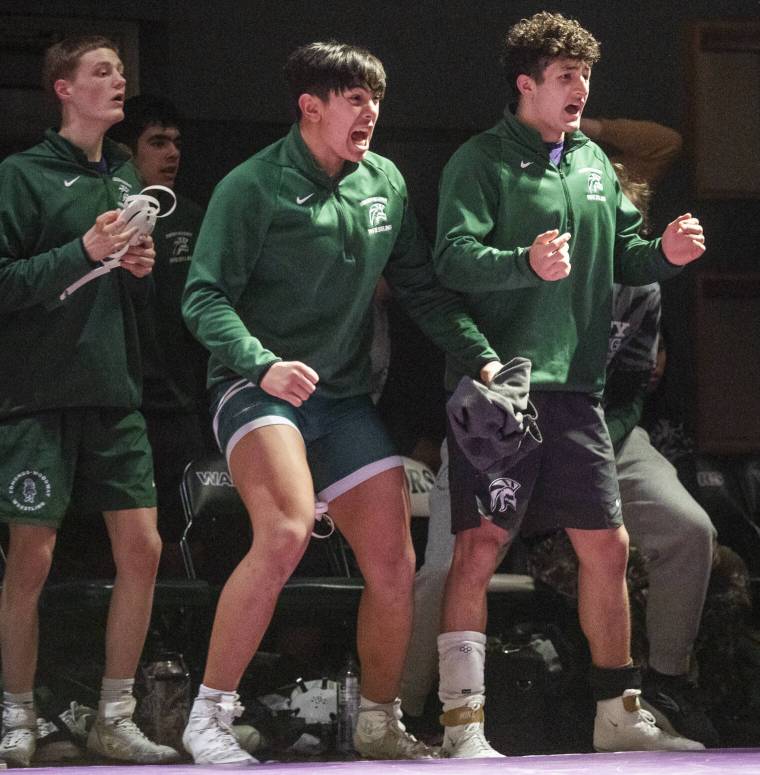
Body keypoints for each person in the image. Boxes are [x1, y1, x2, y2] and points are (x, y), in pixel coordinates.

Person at [179, 41, 500, 765]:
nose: (370, 114)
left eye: (376, 100)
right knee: (287, 529)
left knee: (396, 559)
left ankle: (379, 720)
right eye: (354, 100)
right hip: (253, 389)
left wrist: (482, 354)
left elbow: (419, 286)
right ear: (311, 107)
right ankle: (207, 718)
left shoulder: (381, 180)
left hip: (343, 398)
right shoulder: (252, 186)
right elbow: (201, 297)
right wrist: (261, 363)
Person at [430, 12, 706, 758]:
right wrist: (525, 261)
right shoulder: (480, 161)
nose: (579, 89)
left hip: (579, 392)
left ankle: (617, 712)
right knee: (480, 546)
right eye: (563, 77)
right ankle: (464, 724)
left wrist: (667, 253)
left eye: (585, 75)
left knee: (609, 547)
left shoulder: (590, 162)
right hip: (501, 390)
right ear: (526, 85)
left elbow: (627, 256)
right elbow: (452, 259)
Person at [0, 35, 178, 766]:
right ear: (63, 89)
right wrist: (84, 252)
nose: (118, 81)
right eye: (101, 72)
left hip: (113, 394)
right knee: (31, 558)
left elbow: (123, 295)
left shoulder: (119, 183)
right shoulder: (19, 175)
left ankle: (115, 713)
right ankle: (15, 712)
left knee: (144, 548)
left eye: (121, 71)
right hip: (35, 398)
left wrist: (135, 266)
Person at [107, 94, 213, 566]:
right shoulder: (100, 216)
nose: (172, 153)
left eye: (176, 142)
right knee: (120, 537)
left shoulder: (193, 217)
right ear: (128, 151)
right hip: (115, 401)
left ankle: (178, 636)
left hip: (179, 402)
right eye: (157, 142)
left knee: (182, 531)